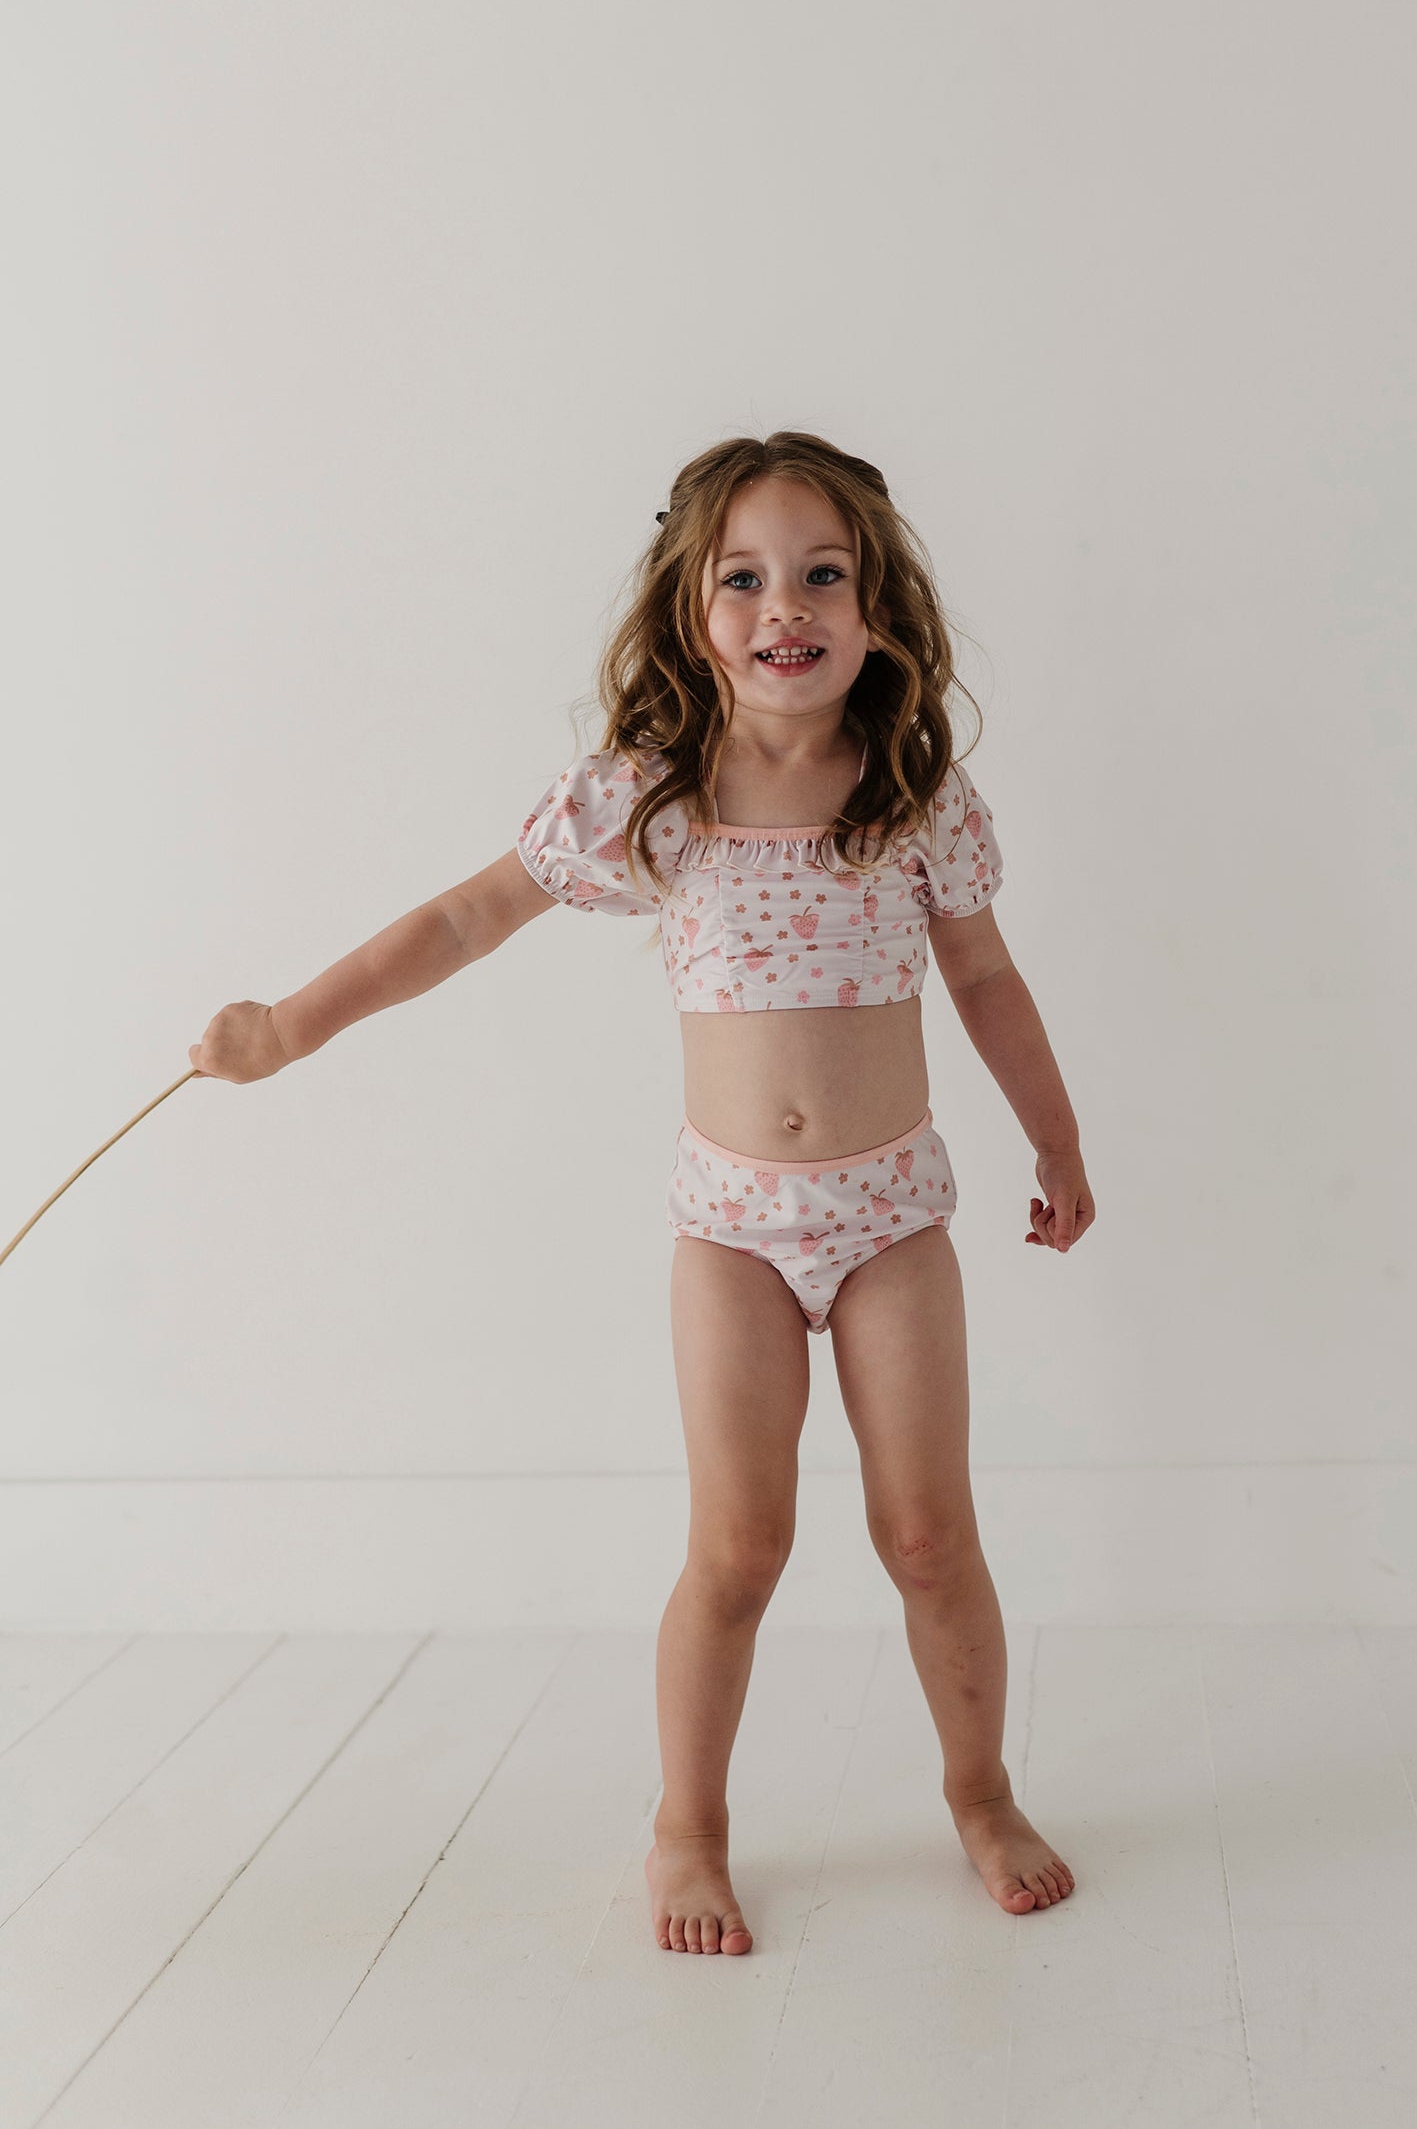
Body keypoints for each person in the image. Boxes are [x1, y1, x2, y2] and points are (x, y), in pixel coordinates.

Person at [189, 427, 1095, 1958]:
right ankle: (691, 1825)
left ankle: (981, 1788)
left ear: (878, 607)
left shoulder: (913, 793)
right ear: (692, 608)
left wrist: (1056, 1143)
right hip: (731, 1232)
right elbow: (464, 918)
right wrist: (287, 1027)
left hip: (893, 1220)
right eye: (744, 578)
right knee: (738, 1548)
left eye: (823, 573)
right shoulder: (650, 798)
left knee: (929, 1533)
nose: (784, 603)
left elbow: (988, 978)